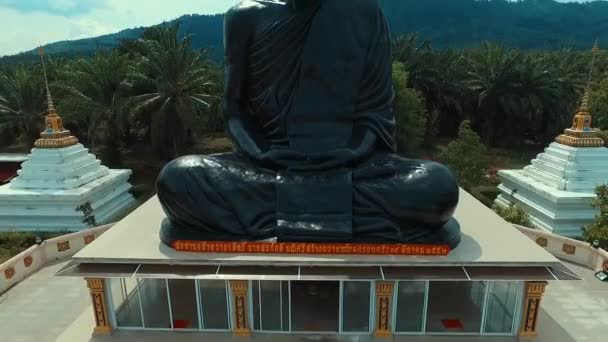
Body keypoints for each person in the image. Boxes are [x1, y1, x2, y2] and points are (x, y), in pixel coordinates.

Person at [157, 0, 461, 247]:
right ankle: (342, 214)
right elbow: (234, 111)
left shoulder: (363, 11)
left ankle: (280, 210)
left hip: (350, 166)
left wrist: (353, 152)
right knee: (177, 179)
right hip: (271, 166)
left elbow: (376, 112)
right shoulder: (245, 16)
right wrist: (262, 153)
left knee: (437, 186)